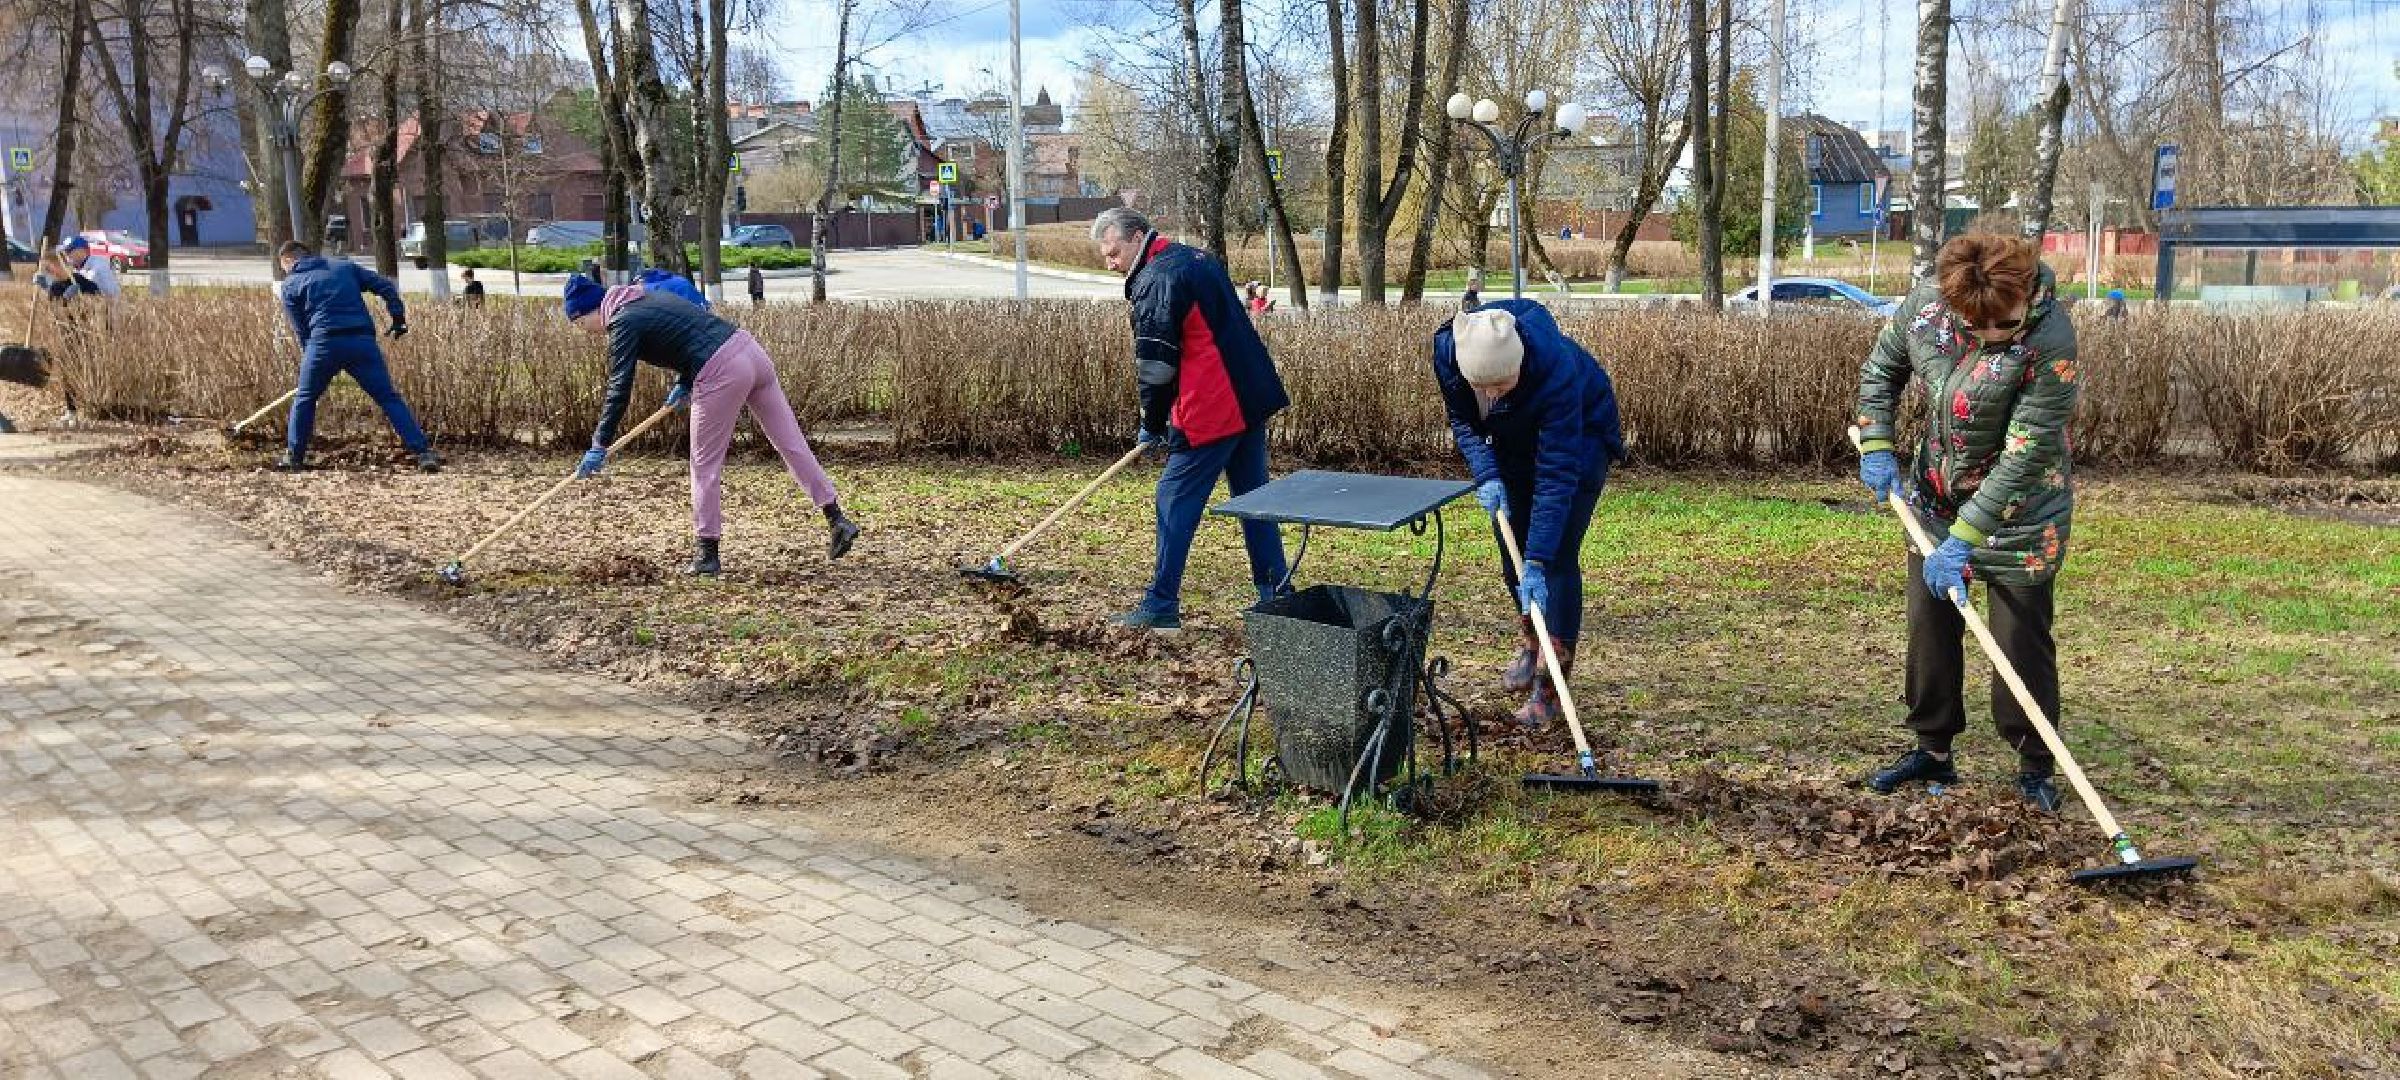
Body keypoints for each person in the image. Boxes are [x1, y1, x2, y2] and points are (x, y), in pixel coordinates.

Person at [1854, 234, 2079, 812]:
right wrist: (1877, 441)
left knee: (2018, 640)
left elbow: (2025, 454)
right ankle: (1932, 748)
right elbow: (1881, 369)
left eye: (2003, 325)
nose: (1990, 337)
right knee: (1929, 628)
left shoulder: (2051, 341)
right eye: (1976, 327)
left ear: (2025, 295)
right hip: (1934, 499)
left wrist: (1967, 537)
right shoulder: (1927, 309)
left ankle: (2034, 763)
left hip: (2023, 511)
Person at [561, 273, 860, 575]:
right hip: (750, 352)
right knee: (790, 442)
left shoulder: (622, 322)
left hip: (721, 372)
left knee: (704, 465)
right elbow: (692, 328)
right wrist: (685, 381)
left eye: (580, 323)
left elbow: (619, 385)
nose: (586, 332)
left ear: (592, 310)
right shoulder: (646, 297)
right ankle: (837, 519)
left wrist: (600, 443)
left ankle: (707, 554)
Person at [1090, 207, 1289, 632]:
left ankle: (1161, 604)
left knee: (1173, 498)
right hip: (1249, 397)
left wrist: (1153, 420)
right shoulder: (1191, 257)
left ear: (1137, 236)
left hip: (1213, 406)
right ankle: (1277, 594)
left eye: (1114, 253)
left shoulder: (1157, 280)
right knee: (1254, 500)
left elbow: (1156, 364)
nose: (1110, 264)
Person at [1432, 303, 1623, 727]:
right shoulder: (1450, 352)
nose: (1493, 394)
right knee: (1509, 547)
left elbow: (1557, 474)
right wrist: (1486, 474)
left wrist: (1536, 559)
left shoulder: (1556, 371)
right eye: (1485, 389)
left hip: (1581, 439)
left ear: (1519, 363)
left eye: (1503, 384)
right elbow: (1463, 421)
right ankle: (1532, 643)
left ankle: (1551, 689)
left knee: (1551, 560)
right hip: (1512, 439)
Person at [275, 241, 441, 473]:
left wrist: (312, 360)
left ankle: (294, 457)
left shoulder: (291, 283)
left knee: (305, 398)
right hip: (361, 342)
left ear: (289, 261)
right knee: (388, 398)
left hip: (323, 344)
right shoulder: (345, 268)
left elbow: (300, 328)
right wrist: (398, 318)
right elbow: (384, 286)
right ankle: (423, 453)